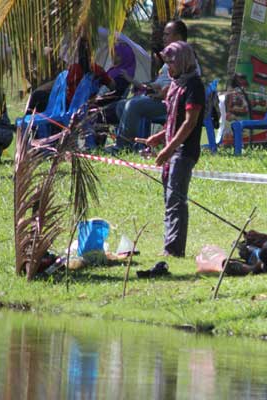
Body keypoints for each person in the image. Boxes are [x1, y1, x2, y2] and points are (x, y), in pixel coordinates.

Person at [143, 41, 206, 257]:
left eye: (172, 62)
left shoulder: (194, 86)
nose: (169, 68)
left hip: (184, 152)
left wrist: (169, 149)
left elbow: (189, 123)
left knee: (176, 199)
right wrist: (159, 137)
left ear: (183, 61)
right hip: (173, 149)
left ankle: (174, 250)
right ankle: (169, 245)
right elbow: (173, 121)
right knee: (168, 198)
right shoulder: (176, 84)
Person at [115, 20, 195, 149]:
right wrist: (145, 86)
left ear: (179, 37)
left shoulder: (186, 57)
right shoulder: (170, 58)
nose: (163, 38)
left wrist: (163, 94)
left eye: (167, 34)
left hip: (172, 104)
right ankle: (135, 144)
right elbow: (159, 83)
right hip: (161, 98)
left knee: (133, 105)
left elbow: (186, 84)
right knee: (121, 105)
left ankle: (123, 146)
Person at [66, 37, 115, 107]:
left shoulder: (72, 69)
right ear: (92, 52)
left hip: (70, 106)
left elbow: (64, 85)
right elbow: (112, 86)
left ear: (78, 51)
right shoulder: (98, 69)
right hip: (89, 107)